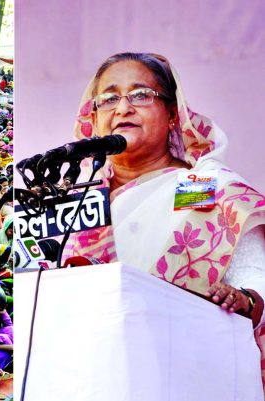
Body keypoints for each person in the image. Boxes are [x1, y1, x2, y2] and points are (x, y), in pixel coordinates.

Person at [65, 52, 265, 337]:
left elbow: (252, 273)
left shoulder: (198, 185)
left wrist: (246, 299)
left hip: (183, 357)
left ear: (172, 114)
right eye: (109, 99)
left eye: (141, 95)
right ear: (94, 118)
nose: (123, 108)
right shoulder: (75, 193)